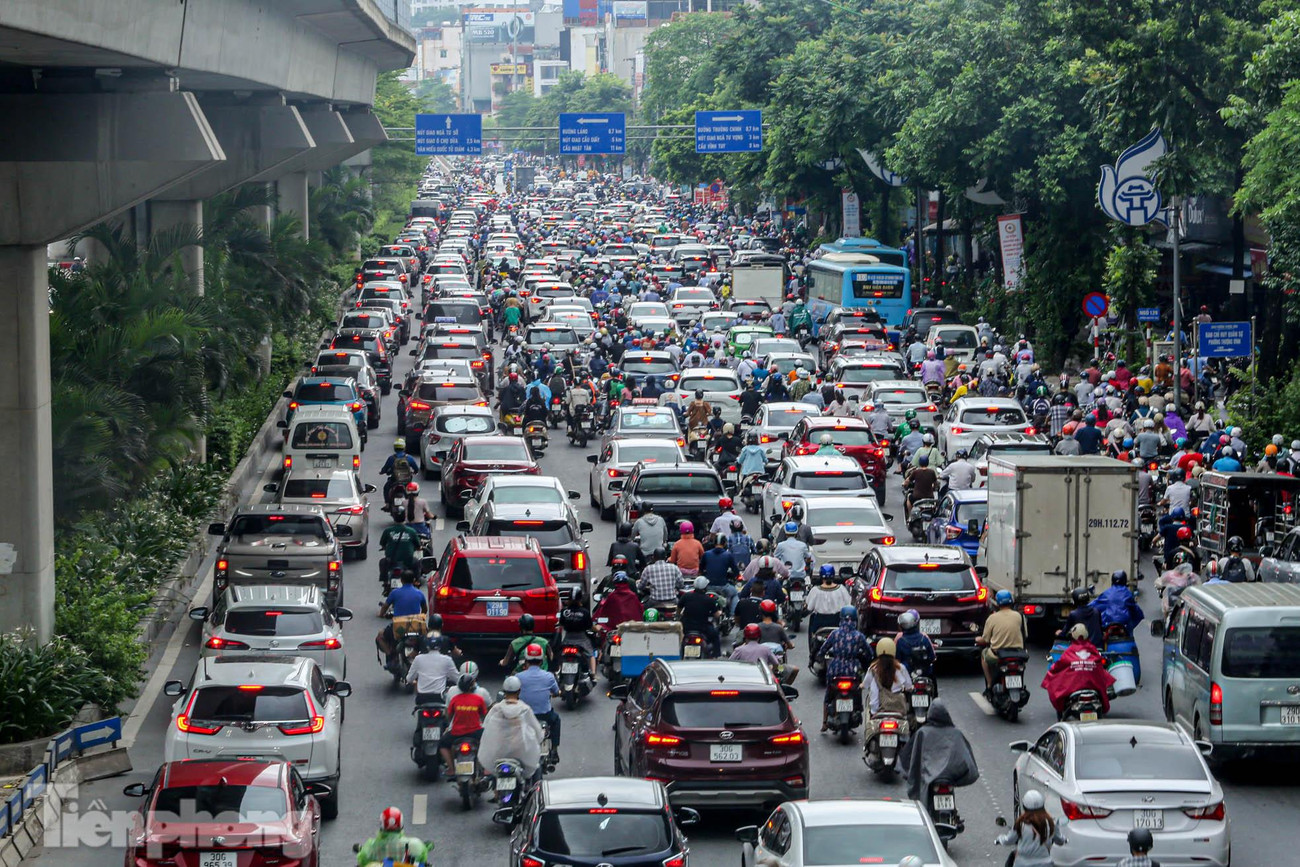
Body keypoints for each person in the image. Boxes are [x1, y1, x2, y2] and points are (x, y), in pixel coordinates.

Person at [898, 698, 979, 802]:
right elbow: (967, 758)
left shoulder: (922, 733)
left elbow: (911, 758)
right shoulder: (956, 733)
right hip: (948, 778)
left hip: (932, 780)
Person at [815, 606, 874, 731]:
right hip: (853, 670)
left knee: (828, 694)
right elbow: (869, 653)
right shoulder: (859, 636)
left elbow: (823, 649)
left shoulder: (835, 634)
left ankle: (824, 722)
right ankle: (858, 708)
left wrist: (819, 657)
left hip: (836, 668)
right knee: (858, 690)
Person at [479, 675, 545, 782]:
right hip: (520, 752)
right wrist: (540, 737)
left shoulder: (497, 709)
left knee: (493, 774)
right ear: (519, 691)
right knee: (537, 769)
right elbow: (536, 730)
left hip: (500, 751)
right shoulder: (524, 709)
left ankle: (496, 792)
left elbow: (486, 727)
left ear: (504, 692)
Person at [1042, 623, 1116, 718]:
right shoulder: (1093, 649)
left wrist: (1050, 676)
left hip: (1074, 688)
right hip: (1093, 686)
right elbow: (1100, 667)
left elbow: (1058, 667)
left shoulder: (1070, 651)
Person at [994, 789, 1068, 867]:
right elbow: (1059, 840)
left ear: (1024, 807)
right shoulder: (1050, 822)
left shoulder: (1020, 824)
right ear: (1043, 805)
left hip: (1022, 864)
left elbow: (1008, 840)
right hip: (1045, 864)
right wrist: (1064, 840)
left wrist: (1000, 839)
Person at [516, 644, 561, 764]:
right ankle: (554, 750)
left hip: (524, 716)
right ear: (541, 661)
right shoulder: (549, 677)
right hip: (545, 715)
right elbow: (556, 692)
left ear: (526, 661)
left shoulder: (518, 677)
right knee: (556, 720)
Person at [439, 672, 489, 777]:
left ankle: (452, 769)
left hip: (457, 732)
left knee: (442, 744)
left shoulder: (455, 699)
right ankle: (486, 768)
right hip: (475, 732)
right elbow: (485, 715)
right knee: (489, 742)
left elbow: (449, 715)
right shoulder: (479, 699)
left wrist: (449, 725)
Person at [977, 590, 1028, 692]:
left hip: (999, 655)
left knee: (983, 654)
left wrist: (977, 639)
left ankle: (990, 684)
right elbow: (1025, 634)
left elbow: (985, 639)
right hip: (1019, 654)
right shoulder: (1020, 616)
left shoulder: (992, 618)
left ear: (997, 603)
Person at [375, 569, 427, 662]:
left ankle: (390, 654)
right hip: (416, 626)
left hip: (400, 628)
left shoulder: (395, 593)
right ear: (414, 580)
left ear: (401, 581)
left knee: (380, 636)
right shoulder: (420, 593)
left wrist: (381, 614)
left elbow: (385, 607)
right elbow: (425, 610)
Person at [355, 807, 432, 867]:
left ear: (382, 823)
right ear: (401, 823)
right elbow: (423, 859)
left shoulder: (370, 846)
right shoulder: (416, 844)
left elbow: (362, 861)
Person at [865, 637, 913, 716]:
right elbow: (908, 686)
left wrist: (861, 686)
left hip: (878, 712)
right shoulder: (901, 667)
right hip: (899, 710)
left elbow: (867, 686)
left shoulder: (873, 669)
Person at [679, 575, 724, 657]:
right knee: (715, 635)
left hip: (686, 627)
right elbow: (716, 615)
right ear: (705, 587)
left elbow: (679, 609)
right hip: (702, 628)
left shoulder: (686, 596)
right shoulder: (709, 600)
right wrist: (720, 613)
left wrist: (679, 616)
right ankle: (716, 655)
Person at [407, 635, 460, 703]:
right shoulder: (447, 659)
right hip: (440, 697)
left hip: (422, 698)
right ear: (440, 646)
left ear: (427, 646)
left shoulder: (418, 659)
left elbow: (409, 679)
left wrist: (415, 682)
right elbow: (457, 679)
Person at [558, 592, 598, 680]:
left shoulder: (564, 611)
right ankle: (593, 674)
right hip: (582, 640)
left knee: (560, 654)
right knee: (591, 654)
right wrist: (597, 628)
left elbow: (561, 624)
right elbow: (590, 626)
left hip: (568, 639)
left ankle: (559, 671)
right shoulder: (585, 612)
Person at [894, 610, 937, 681]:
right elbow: (932, 657)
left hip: (907, 674)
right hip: (925, 672)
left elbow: (897, 660)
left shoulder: (900, 641)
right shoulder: (924, 638)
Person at [380, 438, 419, 506]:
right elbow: (416, 468)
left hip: (395, 480)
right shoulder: (409, 458)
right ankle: (414, 503)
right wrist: (415, 472)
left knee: (386, 488)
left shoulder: (391, 458)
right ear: (404, 447)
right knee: (413, 490)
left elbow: (385, 468)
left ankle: (387, 504)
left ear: (395, 448)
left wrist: (382, 472)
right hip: (407, 480)